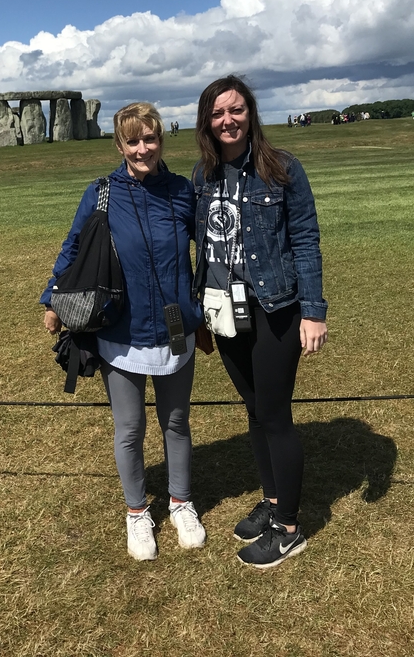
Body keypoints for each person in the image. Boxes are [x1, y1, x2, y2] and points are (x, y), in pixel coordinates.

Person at [42, 102, 205, 561]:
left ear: (160, 140)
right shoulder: (101, 193)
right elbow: (73, 247)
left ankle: (180, 501)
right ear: (119, 145)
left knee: (176, 422)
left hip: (175, 326)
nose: (142, 148)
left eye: (149, 138)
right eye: (132, 140)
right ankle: (137, 512)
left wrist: (204, 308)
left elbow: (210, 247)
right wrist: (52, 297)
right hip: (121, 328)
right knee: (130, 428)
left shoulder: (179, 191)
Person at [192, 75, 328, 568]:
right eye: (217, 113)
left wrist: (312, 312)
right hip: (224, 310)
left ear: (251, 113)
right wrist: (199, 313)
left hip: (275, 308)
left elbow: (306, 241)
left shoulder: (283, 169)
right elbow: (201, 247)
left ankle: (289, 529)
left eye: (236, 110)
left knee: (274, 413)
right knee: (253, 409)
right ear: (207, 121)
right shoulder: (202, 175)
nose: (228, 120)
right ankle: (272, 503)